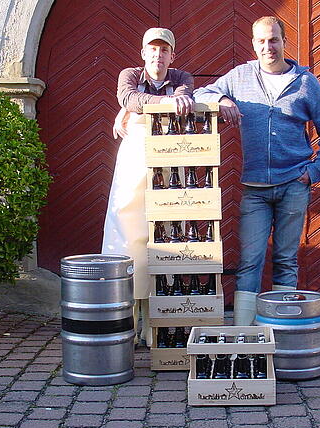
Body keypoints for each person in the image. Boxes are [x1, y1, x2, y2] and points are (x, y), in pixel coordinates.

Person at [194, 16, 320, 325]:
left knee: (286, 261)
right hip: (255, 189)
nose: (267, 47)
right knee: (250, 261)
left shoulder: (305, 83)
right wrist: (221, 98)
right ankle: (244, 334)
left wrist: (316, 170)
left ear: (285, 42)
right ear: (253, 44)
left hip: (294, 185)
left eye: (273, 40)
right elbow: (200, 95)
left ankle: (281, 330)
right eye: (261, 41)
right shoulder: (241, 76)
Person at [102, 28, 194, 346]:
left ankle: (155, 326)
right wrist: (134, 107)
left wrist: (137, 108)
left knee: (163, 239)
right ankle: (126, 322)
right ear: (143, 54)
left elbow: (185, 98)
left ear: (172, 55)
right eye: (152, 50)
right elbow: (128, 97)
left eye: (164, 50)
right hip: (132, 167)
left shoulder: (182, 76)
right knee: (128, 241)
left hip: (166, 166)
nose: (158, 55)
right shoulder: (129, 74)